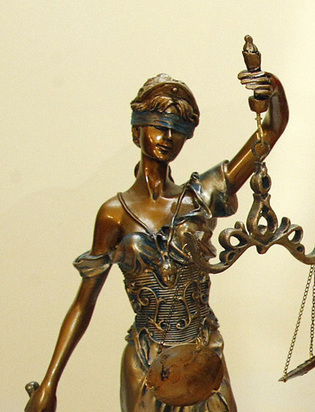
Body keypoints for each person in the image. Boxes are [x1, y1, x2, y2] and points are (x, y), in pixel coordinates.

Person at [25, 69, 289, 412]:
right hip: (147, 360)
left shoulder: (201, 197)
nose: (167, 137)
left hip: (202, 356)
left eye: (177, 130)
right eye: (158, 127)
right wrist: (50, 383)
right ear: (137, 131)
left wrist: (273, 90)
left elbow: (271, 129)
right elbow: (83, 303)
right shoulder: (114, 215)